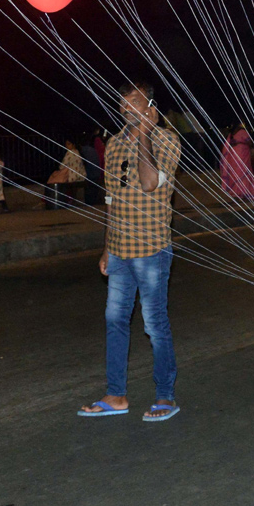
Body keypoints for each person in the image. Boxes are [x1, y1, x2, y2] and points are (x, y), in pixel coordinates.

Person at [79, 82, 182, 422]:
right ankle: (116, 394)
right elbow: (111, 198)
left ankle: (165, 395)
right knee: (114, 320)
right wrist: (108, 247)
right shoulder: (114, 142)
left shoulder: (166, 139)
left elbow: (151, 182)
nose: (126, 110)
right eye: (122, 105)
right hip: (121, 249)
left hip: (151, 248)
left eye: (134, 103)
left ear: (150, 104)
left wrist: (145, 134)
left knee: (154, 324)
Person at [220, 121, 254, 200]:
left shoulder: (232, 134)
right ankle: (245, 191)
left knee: (236, 172)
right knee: (244, 172)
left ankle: (236, 191)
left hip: (234, 154)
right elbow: (249, 141)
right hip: (242, 152)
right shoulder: (242, 132)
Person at [47, 138, 86, 208]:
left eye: (68, 144)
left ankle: (62, 200)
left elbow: (62, 166)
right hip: (81, 175)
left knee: (57, 179)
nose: (66, 146)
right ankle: (71, 200)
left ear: (73, 145)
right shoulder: (77, 152)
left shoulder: (70, 153)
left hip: (72, 176)